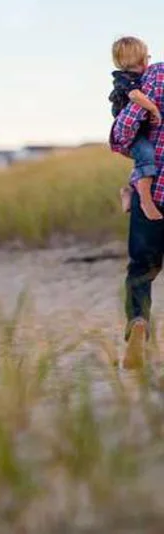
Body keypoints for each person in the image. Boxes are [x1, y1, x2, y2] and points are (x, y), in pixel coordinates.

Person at [111, 55, 164, 369]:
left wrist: (123, 144)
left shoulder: (158, 74)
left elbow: (126, 127)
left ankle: (138, 322)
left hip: (155, 193)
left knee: (142, 270)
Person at [109, 36, 162, 220]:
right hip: (132, 132)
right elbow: (135, 96)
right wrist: (154, 109)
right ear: (140, 60)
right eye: (146, 57)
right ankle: (145, 201)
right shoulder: (126, 79)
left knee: (143, 160)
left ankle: (129, 192)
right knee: (147, 155)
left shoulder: (140, 77)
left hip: (139, 129)